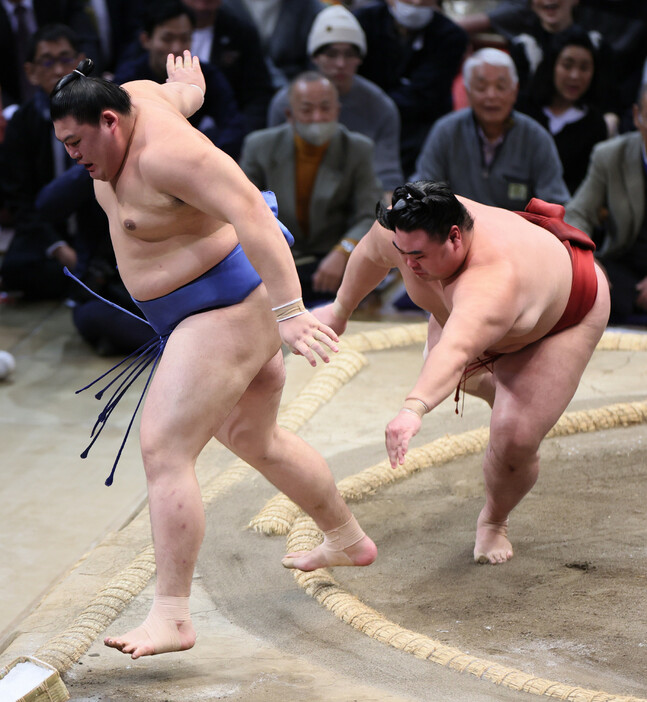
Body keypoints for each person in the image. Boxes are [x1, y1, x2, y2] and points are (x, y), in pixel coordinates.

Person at [50, 51, 377, 659]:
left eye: (77, 143)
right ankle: (346, 536)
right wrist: (187, 91)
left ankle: (172, 615)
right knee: (256, 438)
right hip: (188, 310)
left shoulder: (171, 156)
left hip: (227, 302)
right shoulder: (134, 97)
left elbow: (251, 210)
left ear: (110, 121)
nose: (75, 159)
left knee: (165, 447)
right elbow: (174, 97)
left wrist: (290, 311)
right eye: (65, 146)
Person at [314, 180, 609, 564]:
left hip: (564, 318)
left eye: (418, 255)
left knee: (515, 438)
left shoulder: (492, 281)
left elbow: (454, 350)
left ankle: (493, 521)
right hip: (471, 317)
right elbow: (371, 254)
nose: (408, 264)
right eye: (403, 254)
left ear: (455, 237)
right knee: (449, 367)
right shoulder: (408, 231)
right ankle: (502, 389)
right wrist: (340, 311)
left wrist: (412, 409)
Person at [240, 72, 382, 306]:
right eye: (307, 110)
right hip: (276, 258)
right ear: (290, 114)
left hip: (333, 262)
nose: (318, 117)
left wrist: (343, 251)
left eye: (325, 108)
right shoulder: (259, 146)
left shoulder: (358, 149)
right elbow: (244, 207)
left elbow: (369, 215)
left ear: (337, 110)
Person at [266, 4, 403, 199]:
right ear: (315, 57)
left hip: (361, 204)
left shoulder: (381, 106)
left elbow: (387, 179)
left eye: (349, 54)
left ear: (360, 59)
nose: (340, 64)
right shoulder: (284, 102)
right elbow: (274, 170)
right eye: (331, 54)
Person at [0, 23, 94, 300]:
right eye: (47, 61)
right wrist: (57, 246)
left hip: (96, 223)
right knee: (15, 269)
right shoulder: (22, 122)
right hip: (49, 228)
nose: (57, 70)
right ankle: (82, 279)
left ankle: (86, 278)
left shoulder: (101, 110)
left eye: (66, 59)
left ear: (81, 62)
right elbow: (18, 198)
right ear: (30, 71)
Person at [414, 48, 570, 210]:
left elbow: (555, 206)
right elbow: (423, 192)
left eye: (501, 87)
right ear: (468, 92)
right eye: (481, 88)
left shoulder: (536, 138)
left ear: (514, 91)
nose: (491, 95)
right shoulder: (446, 131)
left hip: (517, 232)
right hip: (456, 230)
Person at [113, 0, 246, 159]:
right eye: (167, 39)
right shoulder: (128, 78)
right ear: (146, 40)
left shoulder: (206, 75)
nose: (176, 48)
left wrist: (209, 158)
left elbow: (233, 124)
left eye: (185, 39)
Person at [353, 0, 468, 176]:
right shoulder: (361, 22)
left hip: (418, 130)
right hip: (363, 119)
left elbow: (423, 95)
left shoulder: (452, 36)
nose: (416, 2)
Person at [565, 84, 647, 326]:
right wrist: (585, 257)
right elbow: (577, 213)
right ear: (637, 116)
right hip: (624, 262)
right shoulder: (610, 155)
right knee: (591, 284)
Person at [517, 26, 608, 195]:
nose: (575, 76)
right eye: (567, 65)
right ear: (552, 65)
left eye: (584, 68)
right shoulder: (523, 107)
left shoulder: (595, 124)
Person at [220, 0, 324, 89]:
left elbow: (317, 58)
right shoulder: (223, 6)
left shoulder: (308, 6)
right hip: (239, 95)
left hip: (295, 92)